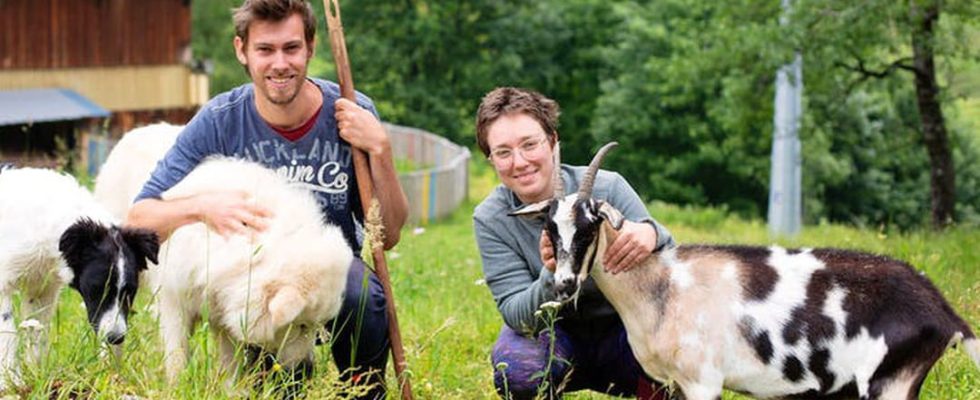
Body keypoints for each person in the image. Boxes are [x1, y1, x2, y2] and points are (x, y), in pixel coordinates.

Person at [127, 1, 408, 398]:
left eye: (291, 48)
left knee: (363, 293)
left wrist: (380, 150)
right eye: (265, 50)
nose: (280, 63)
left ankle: (361, 391)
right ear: (241, 50)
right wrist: (200, 207)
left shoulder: (350, 113)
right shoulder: (220, 121)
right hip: (260, 291)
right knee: (276, 387)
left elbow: (389, 235)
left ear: (311, 47)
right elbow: (139, 219)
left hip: (326, 283)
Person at [473, 87, 675, 399]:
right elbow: (516, 315)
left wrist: (652, 233)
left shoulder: (607, 188)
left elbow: (674, 276)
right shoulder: (491, 217)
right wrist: (551, 271)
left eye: (530, 144)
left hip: (624, 331)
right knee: (520, 369)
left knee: (674, 350)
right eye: (503, 152)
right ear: (490, 159)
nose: (520, 161)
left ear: (553, 142)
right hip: (552, 334)